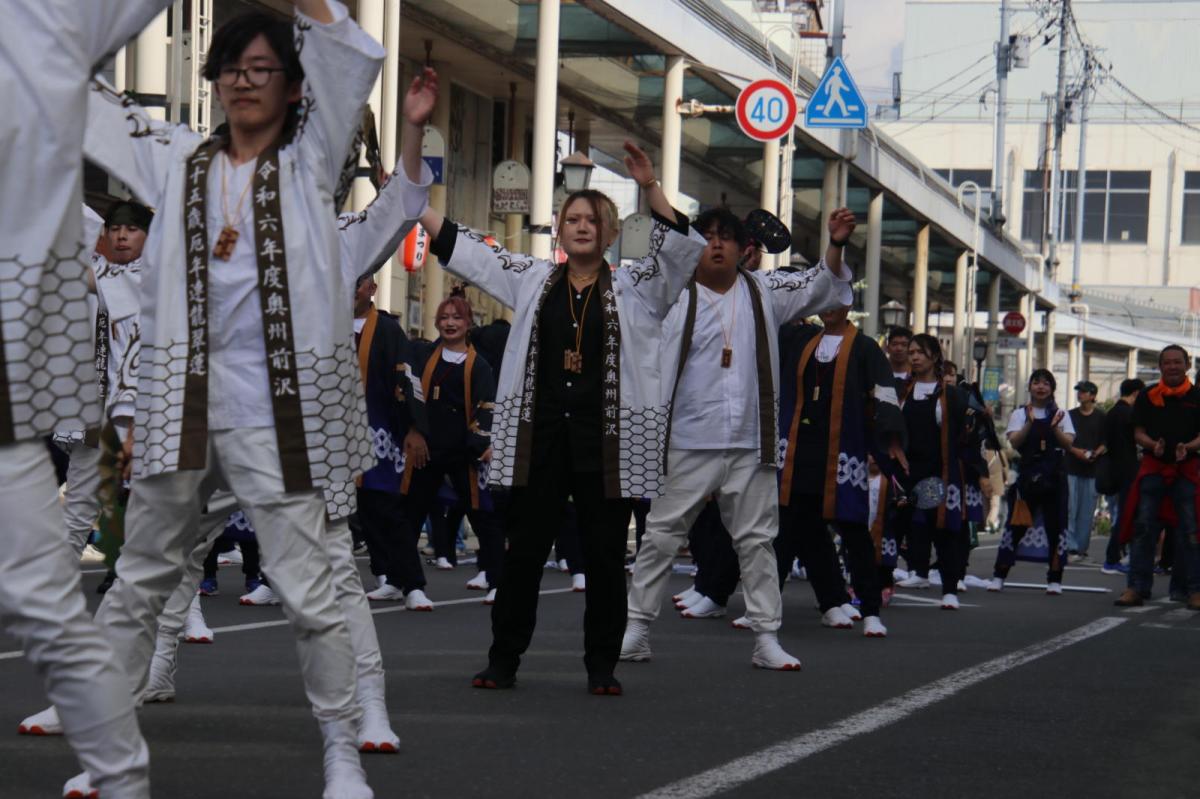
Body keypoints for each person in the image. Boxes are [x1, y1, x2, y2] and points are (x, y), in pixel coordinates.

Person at [79, 5, 391, 796]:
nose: (243, 83)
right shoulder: (177, 158)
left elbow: (352, 55)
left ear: (292, 88)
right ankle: (107, 751)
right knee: (140, 575)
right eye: (231, 70)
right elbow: (79, 96)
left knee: (306, 587)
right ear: (214, 81)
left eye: (262, 70)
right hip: (179, 401)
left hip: (274, 407)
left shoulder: (311, 158)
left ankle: (341, 749)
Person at [419, 142, 704, 696]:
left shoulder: (638, 287)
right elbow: (471, 252)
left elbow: (681, 253)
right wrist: (415, 206)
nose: (581, 227)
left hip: (607, 440)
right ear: (559, 229)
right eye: (572, 219)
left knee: (602, 557)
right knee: (523, 553)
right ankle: (504, 659)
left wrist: (650, 187)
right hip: (540, 436)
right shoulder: (531, 279)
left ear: (612, 231)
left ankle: (602, 666)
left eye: (592, 220)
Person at [1, 4, 178, 797]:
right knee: (83, 550)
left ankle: (121, 767)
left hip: (127, 419)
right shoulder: (101, 264)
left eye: (127, 233)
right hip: (80, 416)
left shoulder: (36, 23)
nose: (118, 241)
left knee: (83, 577)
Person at [621, 206, 857, 671]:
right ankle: (636, 629)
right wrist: (651, 190)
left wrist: (835, 243)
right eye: (706, 235)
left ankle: (766, 636)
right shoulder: (672, 294)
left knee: (756, 542)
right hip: (687, 438)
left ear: (743, 247)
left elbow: (818, 283)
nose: (715, 244)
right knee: (661, 536)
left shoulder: (765, 292)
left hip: (750, 441)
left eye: (725, 236)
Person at [772, 302, 905, 638]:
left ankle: (870, 610)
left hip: (843, 451)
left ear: (847, 305)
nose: (829, 308)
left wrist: (888, 438)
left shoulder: (864, 347)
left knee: (854, 531)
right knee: (789, 529)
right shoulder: (802, 338)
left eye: (836, 302)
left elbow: (883, 394)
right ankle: (775, 607)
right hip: (800, 450)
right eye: (824, 301)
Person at [398, 293, 505, 603]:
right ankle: (412, 587)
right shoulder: (421, 357)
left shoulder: (480, 365)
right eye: (444, 318)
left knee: (483, 516)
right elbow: (405, 396)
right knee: (409, 516)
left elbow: (487, 406)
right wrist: (413, 431)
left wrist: (483, 444)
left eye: (456, 318)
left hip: (465, 451)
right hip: (425, 449)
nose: (449, 323)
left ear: (468, 323)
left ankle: (497, 581)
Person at [356, 270, 437, 612]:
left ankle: (412, 584)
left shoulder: (387, 330)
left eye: (357, 281)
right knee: (338, 514)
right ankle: (386, 575)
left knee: (385, 510)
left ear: (372, 288)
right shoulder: (322, 323)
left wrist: (415, 429)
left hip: (377, 434)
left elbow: (408, 380)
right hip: (329, 436)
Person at [892, 335, 981, 609]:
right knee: (895, 525)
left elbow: (968, 431)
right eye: (912, 352)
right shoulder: (901, 391)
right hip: (905, 472)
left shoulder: (951, 395)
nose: (915, 356)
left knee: (941, 530)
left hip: (935, 474)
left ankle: (950, 589)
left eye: (920, 352)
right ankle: (884, 583)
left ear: (934, 356)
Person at [1114, 346, 1200, 609]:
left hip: (1187, 470)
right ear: (1160, 366)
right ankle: (1136, 587)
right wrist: (1153, 445)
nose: (1172, 367)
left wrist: (1190, 447)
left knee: (1191, 532)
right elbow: (1138, 432)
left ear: (1187, 365)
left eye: (1177, 362)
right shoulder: (1148, 395)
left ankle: (1192, 590)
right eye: (1167, 363)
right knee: (1144, 530)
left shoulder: (1197, 395)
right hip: (1154, 469)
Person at [990, 369, 1076, 595]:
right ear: (1029, 387)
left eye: (1046, 383)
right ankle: (999, 575)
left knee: (1056, 527)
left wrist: (1054, 427)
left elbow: (1068, 445)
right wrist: (1029, 423)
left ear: (1052, 388)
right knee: (1015, 525)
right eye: (1036, 383)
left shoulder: (1062, 415)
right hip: (1028, 477)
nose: (1040, 387)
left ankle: (1055, 579)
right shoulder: (1020, 414)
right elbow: (1015, 443)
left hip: (1055, 477)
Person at [1100, 378, 1144, 573]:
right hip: (1128, 471)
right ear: (1135, 393)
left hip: (1113, 471)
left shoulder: (1111, 413)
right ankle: (1113, 558)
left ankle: (1117, 557)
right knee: (1127, 515)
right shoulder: (1129, 414)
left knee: (1121, 514)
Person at [1066, 380, 1106, 562]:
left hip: (1092, 469)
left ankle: (1081, 548)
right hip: (1071, 467)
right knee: (1070, 508)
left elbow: (1108, 441)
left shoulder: (1101, 417)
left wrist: (1097, 452)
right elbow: (1063, 439)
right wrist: (1076, 451)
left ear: (1092, 395)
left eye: (1083, 391)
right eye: (1078, 391)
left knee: (1087, 511)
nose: (1080, 394)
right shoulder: (1069, 415)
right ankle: (1070, 547)